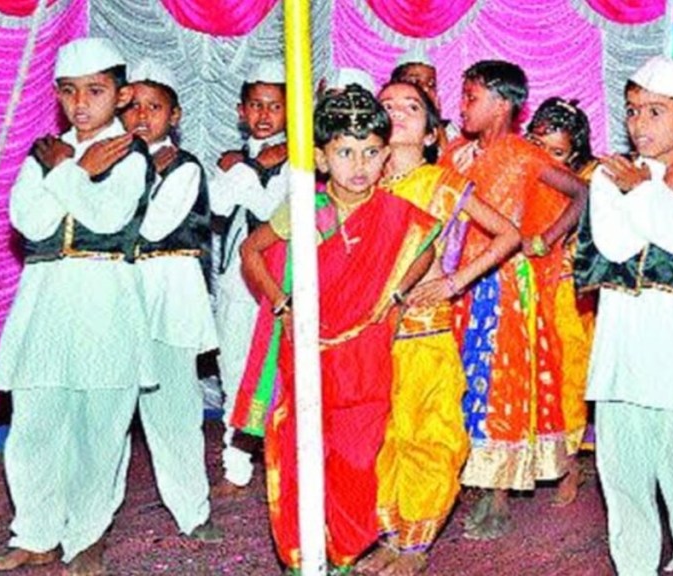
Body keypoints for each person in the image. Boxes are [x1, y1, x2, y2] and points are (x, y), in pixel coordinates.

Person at [233, 84, 439, 575]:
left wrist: (396, 291)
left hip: (366, 357)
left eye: (370, 152)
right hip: (308, 353)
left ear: (387, 156)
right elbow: (251, 251)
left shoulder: (395, 213)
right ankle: (304, 556)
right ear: (323, 160)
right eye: (345, 152)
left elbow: (425, 246)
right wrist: (281, 302)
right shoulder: (307, 209)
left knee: (358, 459)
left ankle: (345, 552)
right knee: (302, 453)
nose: (359, 164)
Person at [0, 37, 154, 575]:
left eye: (96, 91)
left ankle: (86, 535)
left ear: (121, 95)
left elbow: (106, 217)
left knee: (100, 425)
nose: (81, 104)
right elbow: (29, 222)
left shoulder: (131, 153)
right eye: (69, 92)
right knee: (35, 422)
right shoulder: (45, 152)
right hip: (46, 298)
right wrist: (72, 168)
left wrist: (66, 172)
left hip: (106, 296)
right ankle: (34, 533)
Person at [356, 80, 519, 575]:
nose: (398, 112)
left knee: (430, 436)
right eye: (387, 106)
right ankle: (389, 534)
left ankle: (416, 547)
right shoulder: (363, 182)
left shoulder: (441, 182)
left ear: (432, 133)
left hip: (426, 330)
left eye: (411, 106)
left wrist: (454, 282)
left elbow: (508, 234)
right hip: (374, 335)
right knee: (383, 438)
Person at [575, 56, 673, 576]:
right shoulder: (609, 175)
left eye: (655, 112)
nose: (640, 124)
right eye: (634, 111)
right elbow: (617, 245)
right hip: (620, 362)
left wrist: (646, 191)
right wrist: (662, 194)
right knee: (624, 490)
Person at [439, 60, 588, 541]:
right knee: (463, 381)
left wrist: (545, 237)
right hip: (459, 280)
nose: (462, 106)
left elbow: (581, 192)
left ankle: (500, 492)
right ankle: (469, 479)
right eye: (462, 96)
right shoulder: (457, 155)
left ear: (503, 103)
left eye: (471, 97)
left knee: (502, 384)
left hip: (504, 285)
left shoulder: (525, 154)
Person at [121, 58, 222, 542]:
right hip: (119, 291)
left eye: (153, 107)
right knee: (109, 410)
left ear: (174, 115)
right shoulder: (104, 162)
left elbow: (152, 228)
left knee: (174, 408)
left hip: (170, 290)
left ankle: (192, 511)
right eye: (132, 106)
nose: (141, 116)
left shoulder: (182, 168)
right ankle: (89, 519)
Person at [210, 59, 290, 497]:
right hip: (236, 284)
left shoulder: (305, 161)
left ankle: (284, 460)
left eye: (274, 106)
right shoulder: (231, 161)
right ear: (241, 111)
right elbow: (221, 206)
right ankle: (235, 462)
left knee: (283, 370)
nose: (263, 115)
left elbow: (270, 211)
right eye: (255, 105)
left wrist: (250, 168)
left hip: (283, 281)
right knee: (235, 368)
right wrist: (247, 166)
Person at [525, 96, 598, 506]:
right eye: (540, 148)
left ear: (574, 152)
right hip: (526, 289)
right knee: (531, 374)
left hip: (570, 294)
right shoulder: (521, 171)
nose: (547, 159)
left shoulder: (590, 179)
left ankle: (570, 465)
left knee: (569, 376)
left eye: (557, 152)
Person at [390, 45, 460, 148]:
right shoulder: (388, 124)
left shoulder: (448, 129)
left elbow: (449, 161)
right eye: (416, 82)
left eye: (431, 84)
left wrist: (436, 121)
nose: (425, 89)